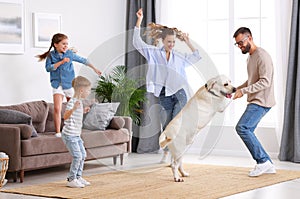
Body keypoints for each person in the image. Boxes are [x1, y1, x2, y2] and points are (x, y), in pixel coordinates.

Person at [133, 8, 201, 163]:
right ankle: (166, 152)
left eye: (173, 42)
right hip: (164, 94)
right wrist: (139, 20)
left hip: (180, 92)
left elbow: (197, 56)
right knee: (167, 124)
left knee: (177, 122)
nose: (171, 44)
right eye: (169, 42)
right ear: (162, 41)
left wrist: (188, 41)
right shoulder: (153, 53)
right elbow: (136, 42)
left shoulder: (179, 56)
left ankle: (176, 154)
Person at [36, 33, 101, 137]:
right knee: (57, 109)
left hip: (69, 85)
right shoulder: (51, 56)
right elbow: (48, 68)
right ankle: (58, 132)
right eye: (63, 44)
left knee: (76, 107)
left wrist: (94, 68)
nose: (66, 46)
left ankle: (75, 129)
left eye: (67, 44)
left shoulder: (69, 54)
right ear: (56, 44)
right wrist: (61, 62)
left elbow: (83, 60)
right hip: (57, 85)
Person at [233, 27, 276, 177]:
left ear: (249, 38)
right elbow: (252, 80)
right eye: (237, 44)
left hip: (262, 101)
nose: (240, 46)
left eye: (241, 42)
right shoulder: (250, 57)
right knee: (246, 129)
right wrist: (236, 89)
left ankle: (263, 161)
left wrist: (243, 92)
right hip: (255, 100)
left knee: (243, 128)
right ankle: (268, 164)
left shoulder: (262, 56)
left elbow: (265, 81)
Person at [61, 76, 92, 188]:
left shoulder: (79, 102)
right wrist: (74, 108)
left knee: (83, 155)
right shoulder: (72, 102)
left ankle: (78, 177)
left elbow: (75, 115)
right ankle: (71, 179)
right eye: (88, 90)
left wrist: (83, 111)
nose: (89, 92)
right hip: (69, 135)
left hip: (76, 135)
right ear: (81, 90)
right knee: (77, 156)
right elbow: (65, 116)